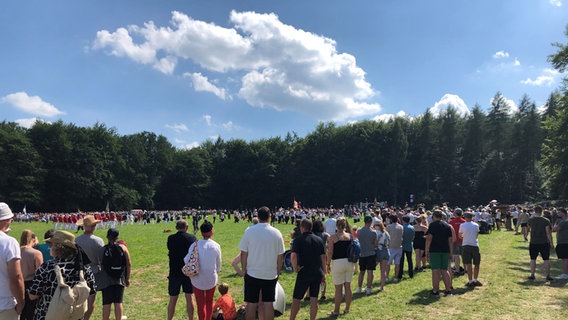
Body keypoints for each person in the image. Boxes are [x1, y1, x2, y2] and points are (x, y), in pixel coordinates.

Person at [28, 230, 97, 320]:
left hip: (47, 315)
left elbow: (33, 295)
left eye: (51, 245)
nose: (50, 247)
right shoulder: (84, 268)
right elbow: (92, 294)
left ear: (57, 247)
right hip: (74, 316)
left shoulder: (47, 267)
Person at [238, 206, 284, 320]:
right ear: (270, 216)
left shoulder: (249, 231)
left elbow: (243, 253)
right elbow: (280, 256)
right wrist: (278, 271)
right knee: (268, 303)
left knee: (251, 303)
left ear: (257, 217)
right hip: (270, 273)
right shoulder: (277, 233)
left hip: (252, 273)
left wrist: (244, 269)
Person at [289, 219, 326, 320]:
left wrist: (296, 268)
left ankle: (292, 318)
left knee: (296, 299)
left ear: (302, 228)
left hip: (304, 271)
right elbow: (323, 258)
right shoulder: (319, 240)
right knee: (314, 299)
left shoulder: (298, 240)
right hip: (317, 272)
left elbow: (293, 256)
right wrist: (324, 273)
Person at [185, 221, 221, 320]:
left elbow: (186, 259)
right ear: (212, 231)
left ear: (201, 232)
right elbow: (218, 265)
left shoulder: (194, 245)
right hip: (211, 278)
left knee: (200, 303)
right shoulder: (216, 246)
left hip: (197, 278)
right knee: (210, 301)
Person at [75, 214, 104, 320]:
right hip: (94, 271)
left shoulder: (76, 240)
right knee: (91, 299)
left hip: (79, 272)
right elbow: (101, 258)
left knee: (79, 299)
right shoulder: (98, 241)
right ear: (93, 227)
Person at [98, 228, 131, 320]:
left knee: (106, 303)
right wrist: (127, 278)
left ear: (107, 237)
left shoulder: (103, 249)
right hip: (119, 278)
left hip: (106, 278)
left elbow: (101, 264)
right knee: (118, 301)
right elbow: (128, 263)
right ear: (117, 237)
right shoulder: (123, 248)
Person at [167, 219, 196, 320]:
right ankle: (191, 318)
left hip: (174, 271)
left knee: (173, 299)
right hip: (188, 271)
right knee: (189, 297)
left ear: (176, 228)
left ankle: (169, 318)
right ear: (186, 227)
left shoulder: (170, 238)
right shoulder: (192, 238)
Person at [0, 202, 25, 319]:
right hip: (5, 304)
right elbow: (16, 277)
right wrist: (21, 302)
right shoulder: (9, 242)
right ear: (5, 221)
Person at [326, 217, 353, 316]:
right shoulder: (350, 236)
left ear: (336, 226)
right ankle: (347, 309)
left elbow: (330, 252)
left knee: (338, 288)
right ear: (345, 225)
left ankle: (336, 310)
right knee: (348, 286)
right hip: (349, 262)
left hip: (338, 262)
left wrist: (328, 264)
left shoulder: (333, 237)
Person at [425, 210, 453, 297]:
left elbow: (429, 238)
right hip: (445, 250)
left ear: (434, 216)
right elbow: (450, 240)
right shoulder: (447, 226)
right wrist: (451, 252)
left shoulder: (432, 225)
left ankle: (435, 291)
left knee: (435, 270)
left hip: (435, 250)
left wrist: (426, 251)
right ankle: (448, 290)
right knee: (445, 270)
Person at [19, 229, 43, 320]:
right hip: (31, 284)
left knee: (21, 311)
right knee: (31, 312)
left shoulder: (16, 250)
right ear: (33, 239)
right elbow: (39, 273)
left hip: (18, 283)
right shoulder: (36, 253)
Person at [527, 206, 554, 281]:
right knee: (546, 259)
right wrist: (551, 243)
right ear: (541, 211)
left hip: (533, 242)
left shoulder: (531, 220)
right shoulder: (546, 220)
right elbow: (548, 233)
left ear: (534, 211)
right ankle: (548, 275)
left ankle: (532, 274)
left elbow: (528, 229)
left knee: (532, 259)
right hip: (544, 242)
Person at [459, 212, 482, 287]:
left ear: (465, 217)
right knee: (477, 264)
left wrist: (464, 237)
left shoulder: (462, 225)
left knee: (468, 264)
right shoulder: (476, 225)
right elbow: (477, 235)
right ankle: (475, 279)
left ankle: (470, 281)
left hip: (465, 245)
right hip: (475, 245)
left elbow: (460, 235)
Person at [355, 215, 377, 295]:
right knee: (370, 272)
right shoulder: (373, 232)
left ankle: (359, 288)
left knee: (362, 272)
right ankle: (368, 288)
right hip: (371, 253)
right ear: (371, 222)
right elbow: (375, 244)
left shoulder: (359, 231)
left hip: (362, 253)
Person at [449, 208, 466, 276]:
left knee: (456, 256)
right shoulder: (464, 221)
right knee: (464, 256)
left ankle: (457, 270)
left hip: (455, 241)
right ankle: (465, 269)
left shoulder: (451, 222)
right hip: (463, 240)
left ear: (455, 214)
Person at [386, 214, 403, 282]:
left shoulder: (389, 227)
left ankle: (386, 277)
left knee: (388, 263)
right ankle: (396, 277)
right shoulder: (401, 227)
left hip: (391, 247)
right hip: (399, 246)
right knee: (397, 263)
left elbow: (386, 236)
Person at [397, 215, 415, 280]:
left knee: (401, 261)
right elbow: (413, 237)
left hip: (402, 245)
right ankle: (411, 274)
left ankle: (400, 274)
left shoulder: (402, 227)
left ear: (403, 220)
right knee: (410, 260)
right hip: (409, 245)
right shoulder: (412, 227)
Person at [374, 221, 390, 291]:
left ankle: (369, 285)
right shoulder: (386, 233)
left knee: (371, 268)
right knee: (383, 270)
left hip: (379, 251)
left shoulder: (377, 233)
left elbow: (376, 243)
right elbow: (389, 241)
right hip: (386, 251)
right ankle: (382, 286)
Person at [553, 208, 568, 279]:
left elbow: (554, 229)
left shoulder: (563, 222)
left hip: (563, 242)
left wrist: (556, 222)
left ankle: (565, 274)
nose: (558, 213)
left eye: (559, 212)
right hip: (565, 242)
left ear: (564, 213)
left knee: (564, 259)